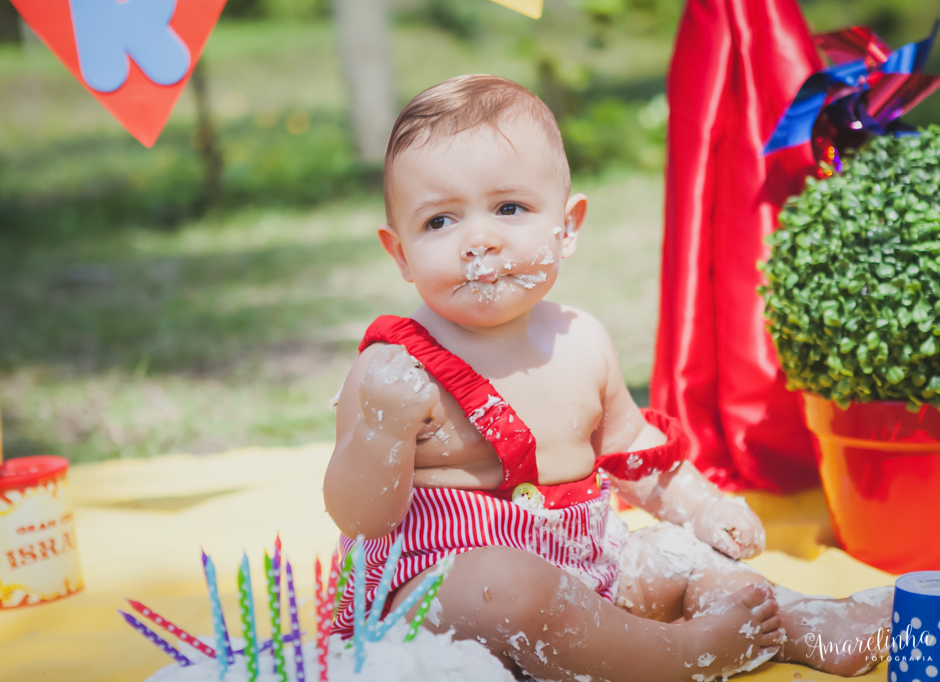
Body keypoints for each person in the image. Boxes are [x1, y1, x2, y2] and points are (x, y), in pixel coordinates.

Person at [322, 74, 892, 681]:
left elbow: (632, 453)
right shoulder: (394, 369)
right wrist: (382, 430)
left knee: (678, 559)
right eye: (439, 222)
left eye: (509, 208)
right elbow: (362, 519)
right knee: (506, 583)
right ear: (401, 253)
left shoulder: (580, 339)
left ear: (567, 228)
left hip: (586, 571)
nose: (478, 241)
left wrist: (698, 505)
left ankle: (802, 623)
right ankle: (680, 657)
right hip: (437, 606)